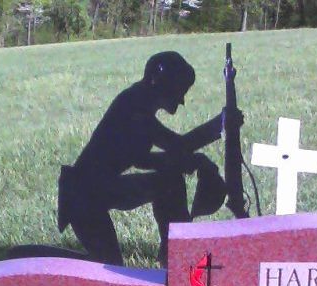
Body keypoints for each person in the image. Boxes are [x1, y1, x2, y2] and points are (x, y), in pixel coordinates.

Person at [58, 51, 241, 266]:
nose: (182, 100)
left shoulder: (138, 102)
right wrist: (218, 125)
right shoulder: (134, 107)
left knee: (168, 183)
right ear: (161, 84)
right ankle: (38, 262)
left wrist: (190, 161)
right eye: (180, 91)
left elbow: (141, 159)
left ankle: (175, 252)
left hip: (94, 190)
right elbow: (177, 146)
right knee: (107, 267)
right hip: (86, 195)